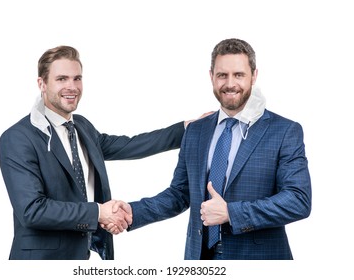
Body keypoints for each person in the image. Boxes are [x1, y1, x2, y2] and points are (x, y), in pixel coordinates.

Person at [111, 38, 312, 260]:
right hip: (200, 259)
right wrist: (133, 212)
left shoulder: (284, 131)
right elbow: (180, 194)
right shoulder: (196, 131)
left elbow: (298, 200)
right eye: (222, 75)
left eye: (239, 75)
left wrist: (231, 213)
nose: (230, 83)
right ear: (211, 77)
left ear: (254, 76)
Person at [0, 45, 191, 260]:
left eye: (77, 78)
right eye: (61, 79)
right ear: (42, 84)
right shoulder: (18, 137)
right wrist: (99, 212)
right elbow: (32, 210)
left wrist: (187, 129)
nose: (72, 87)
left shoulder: (82, 127)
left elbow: (129, 145)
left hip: (85, 257)